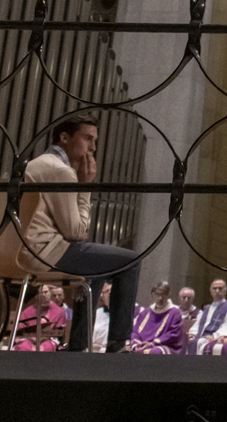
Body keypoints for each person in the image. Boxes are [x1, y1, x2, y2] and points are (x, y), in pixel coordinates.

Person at [24, 113, 138, 353]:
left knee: (97, 267)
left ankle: (79, 344)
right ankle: (118, 344)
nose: (93, 148)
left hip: (23, 252)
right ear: (64, 137)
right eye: (87, 138)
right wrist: (86, 187)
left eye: (95, 141)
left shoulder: (35, 163)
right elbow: (76, 231)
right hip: (47, 252)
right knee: (131, 261)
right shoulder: (61, 171)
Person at [126, 281, 186, 354]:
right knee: (127, 348)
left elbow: (174, 335)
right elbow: (135, 330)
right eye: (157, 294)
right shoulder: (146, 312)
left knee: (154, 352)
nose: (160, 298)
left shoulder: (174, 313)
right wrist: (136, 343)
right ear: (153, 294)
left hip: (165, 346)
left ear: (168, 295)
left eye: (163, 295)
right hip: (142, 345)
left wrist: (152, 344)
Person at [13, 282, 70, 351]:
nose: (43, 295)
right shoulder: (26, 312)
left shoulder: (59, 311)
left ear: (50, 294)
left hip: (48, 341)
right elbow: (20, 331)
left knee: (46, 348)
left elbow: (59, 333)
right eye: (40, 292)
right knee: (23, 347)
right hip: (29, 340)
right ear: (35, 296)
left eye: (45, 292)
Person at [187, 278, 227, 355]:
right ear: (211, 291)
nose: (217, 291)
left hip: (213, 338)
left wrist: (214, 335)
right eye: (214, 289)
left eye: (220, 288)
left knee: (201, 343)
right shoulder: (207, 308)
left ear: (225, 291)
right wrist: (193, 333)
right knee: (192, 342)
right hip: (202, 337)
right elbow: (199, 323)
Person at [89, 285, 110, 353]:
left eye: (112, 291)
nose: (109, 293)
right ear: (102, 295)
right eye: (107, 291)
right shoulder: (95, 314)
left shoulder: (124, 315)